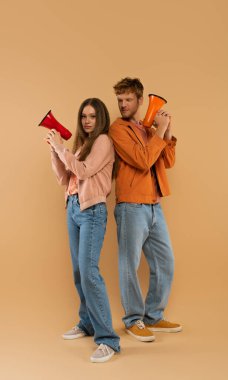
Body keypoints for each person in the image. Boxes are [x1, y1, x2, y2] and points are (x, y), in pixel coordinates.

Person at [45, 98, 120, 362]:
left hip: (92, 212)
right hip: (73, 208)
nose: (87, 121)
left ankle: (108, 339)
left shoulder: (103, 142)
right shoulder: (82, 145)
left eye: (92, 116)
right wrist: (55, 152)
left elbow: (85, 171)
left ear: (100, 119)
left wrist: (61, 148)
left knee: (89, 273)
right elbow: (65, 179)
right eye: (84, 117)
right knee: (79, 271)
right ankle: (87, 322)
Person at [109, 77, 182, 342]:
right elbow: (142, 161)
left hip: (154, 205)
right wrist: (159, 132)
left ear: (140, 101)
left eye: (128, 99)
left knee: (165, 262)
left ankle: (153, 316)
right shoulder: (117, 129)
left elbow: (168, 161)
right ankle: (132, 320)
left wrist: (167, 129)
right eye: (120, 100)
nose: (123, 104)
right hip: (131, 205)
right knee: (130, 264)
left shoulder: (148, 128)